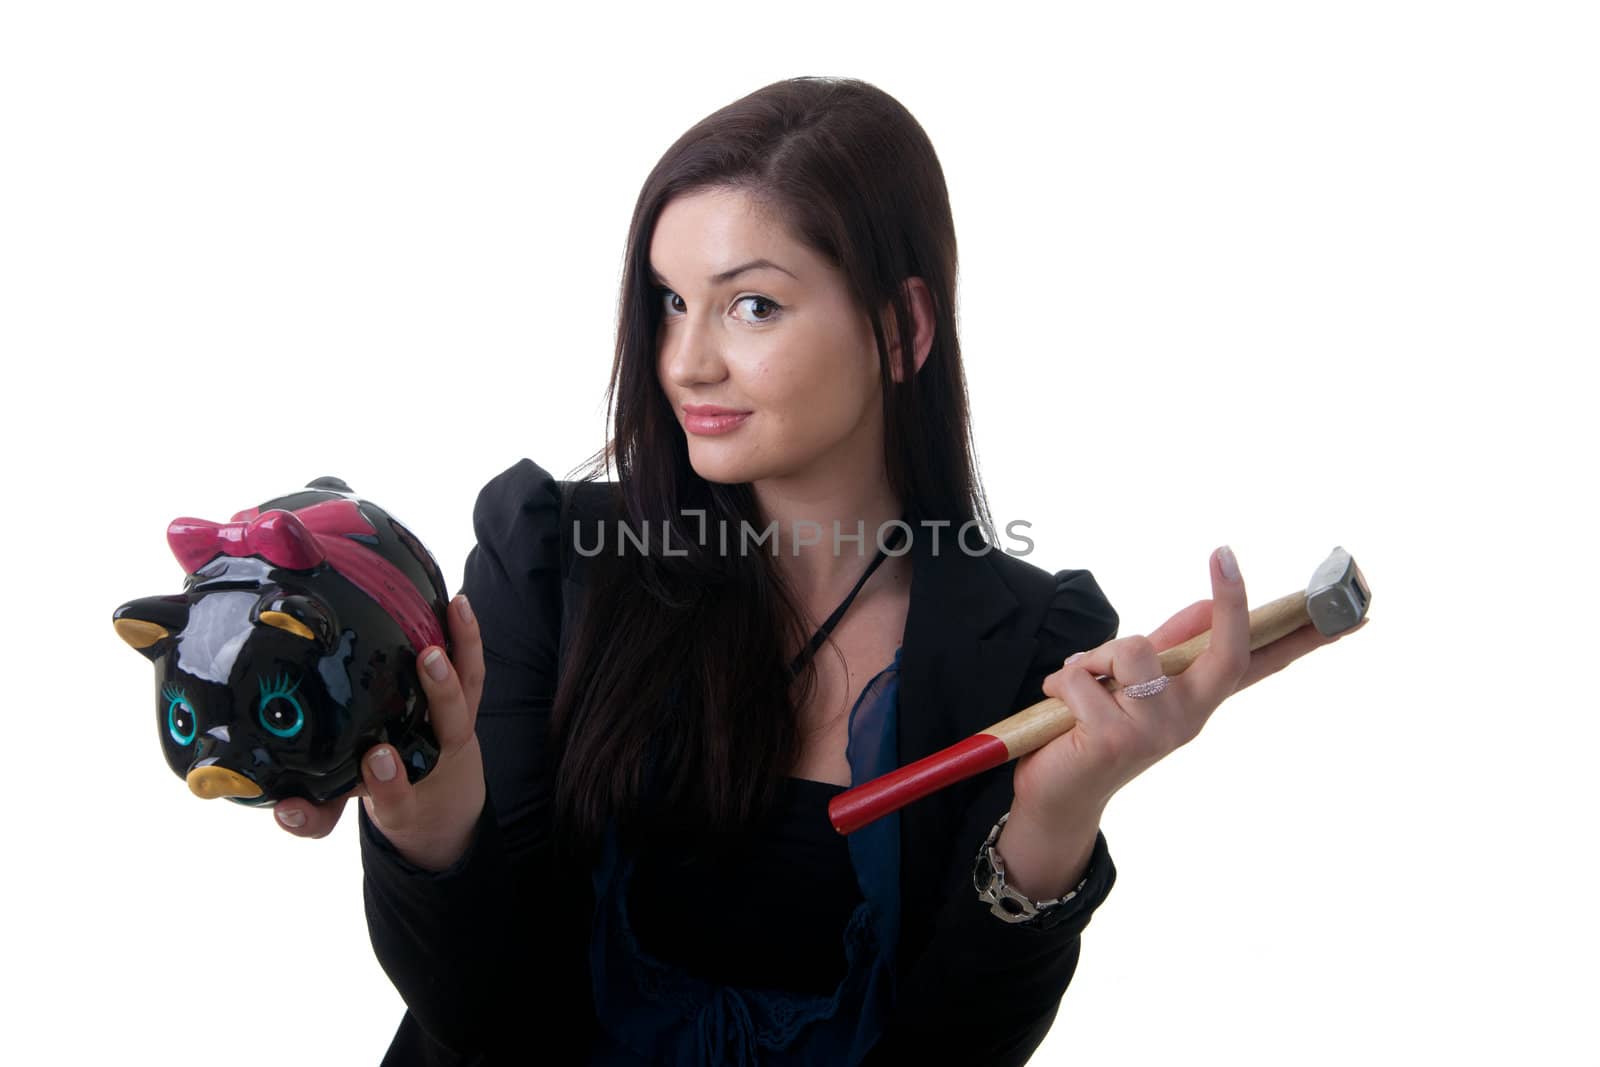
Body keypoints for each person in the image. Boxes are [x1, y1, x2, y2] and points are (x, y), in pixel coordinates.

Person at [272, 76, 1349, 1065]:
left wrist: (1052, 822)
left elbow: (949, 1053)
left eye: (752, 305)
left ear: (900, 326)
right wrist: (428, 819)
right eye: (669, 301)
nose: (687, 360)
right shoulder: (551, 557)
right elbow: (489, 1020)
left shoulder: (1026, 636)